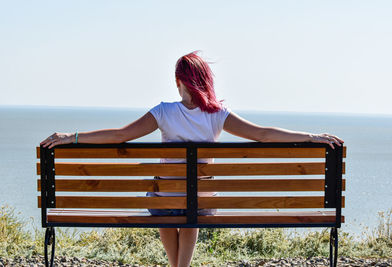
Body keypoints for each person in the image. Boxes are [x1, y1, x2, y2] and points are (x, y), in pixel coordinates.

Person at [41, 51, 343, 267]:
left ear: (178, 82)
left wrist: (73, 137)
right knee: (193, 204)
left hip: (164, 200)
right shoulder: (218, 114)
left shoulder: (163, 112)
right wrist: (310, 137)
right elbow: (262, 134)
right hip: (201, 202)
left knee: (161, 196)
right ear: (205, 81)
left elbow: (120, 135)